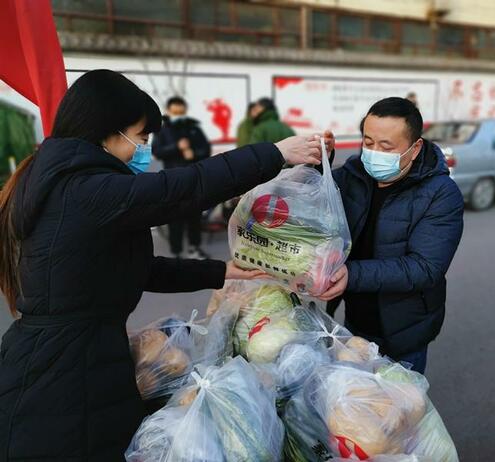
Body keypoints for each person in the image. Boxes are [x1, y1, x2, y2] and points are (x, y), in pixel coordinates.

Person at [0, 69, 326, 461]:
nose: (143, 148)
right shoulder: (85, 190)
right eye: (140, 137)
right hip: (64, 375)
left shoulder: (61, 181)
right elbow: (180, 190)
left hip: (71, 359)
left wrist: (221, 271)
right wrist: (274, 154)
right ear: (108, 130)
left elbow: (130, 268)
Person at [317, 97, 464, 374]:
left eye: (386, 146)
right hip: (356, 321)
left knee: (400, 410)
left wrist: (352, 274)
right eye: (368, 142)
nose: (374, 152)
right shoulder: (353, 176)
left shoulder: (441, 194)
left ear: (415, 147)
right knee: (352, 405)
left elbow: (425, 267)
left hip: (404, 330)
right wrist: (319, 163)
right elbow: (315, 203)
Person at [152, 96, 211, 259]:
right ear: (169, 111)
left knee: (194, 216)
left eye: (181, 111)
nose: (178, 114)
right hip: (173, 180)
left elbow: (205, 149)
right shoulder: (162, 130)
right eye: (175, 111)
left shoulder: (193, 127)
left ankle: (194, 248)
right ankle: (176, 252)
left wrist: (195, 153)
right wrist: (176, 147)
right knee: (175, 218)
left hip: (194, 179)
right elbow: (157, 151)